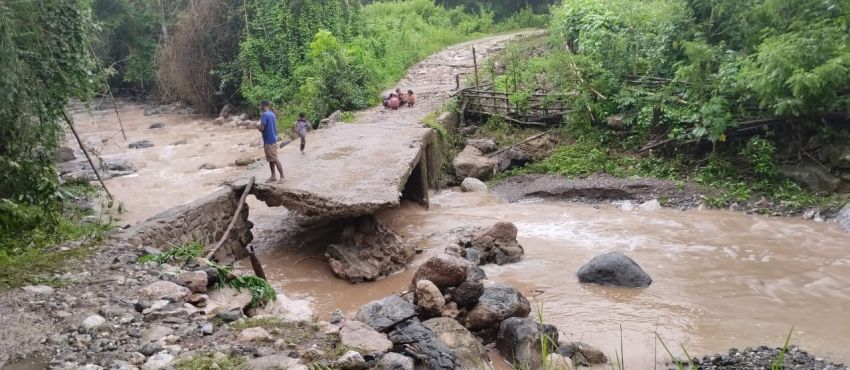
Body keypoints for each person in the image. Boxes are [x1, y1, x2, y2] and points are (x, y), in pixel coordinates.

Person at [258, 100, 283, 183]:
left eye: (260, 105)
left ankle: (282, 177)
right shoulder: (272, 114)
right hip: (273, 138)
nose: (260, 107)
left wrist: (257, 127)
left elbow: (262, 128)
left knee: (274, 158)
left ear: (263, 105)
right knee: (270, 159)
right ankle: (273, 176)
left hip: (268, 140)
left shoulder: (264, 115)